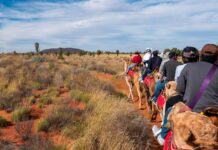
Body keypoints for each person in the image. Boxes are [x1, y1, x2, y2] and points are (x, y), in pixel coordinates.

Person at [176, 44, 218, 113]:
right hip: (214, 116)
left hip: (190, 113)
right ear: (216, 57)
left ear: (201, 55)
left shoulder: (188, 67)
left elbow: (180, 90)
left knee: (168, 119)